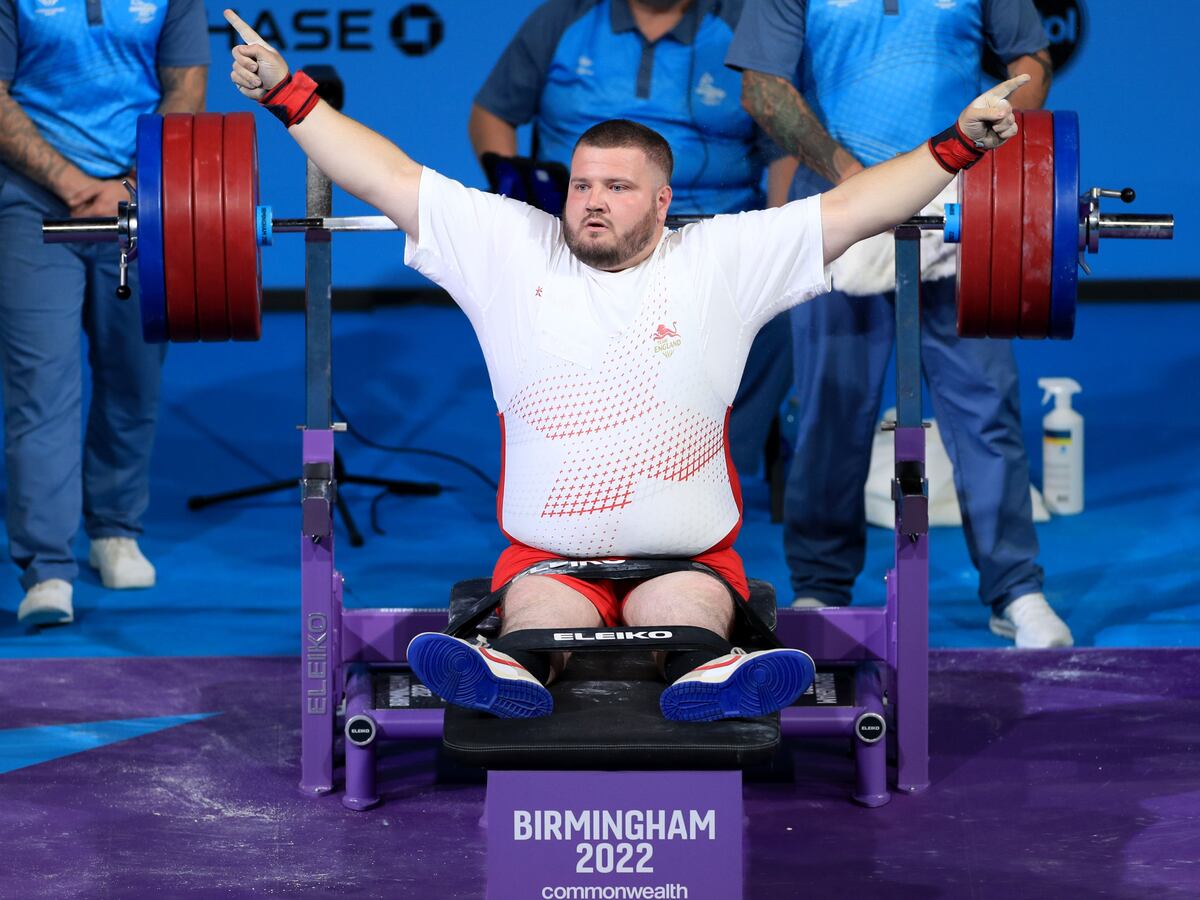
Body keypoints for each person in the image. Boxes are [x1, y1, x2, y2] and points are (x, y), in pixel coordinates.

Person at [224, 8, 1026, 719]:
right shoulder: (508, 249)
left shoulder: (722, 259)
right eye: (580, 184)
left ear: (664, 201)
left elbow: (856, 207)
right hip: (547, 555)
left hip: (686, 556)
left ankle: (713, 673)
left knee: (686, 621)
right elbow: (388, 176)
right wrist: (286, 96)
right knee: (537, 620)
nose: (592, 200)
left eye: (617, 186)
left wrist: (956, 147)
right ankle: (509, 665)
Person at [726, 0, 1074, 648]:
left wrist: (989, 143)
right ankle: (821, 588)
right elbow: (761, 85)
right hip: (840, 206)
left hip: (968, 209)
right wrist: (857, 180)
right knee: (830, 409)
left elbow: (1030, 57)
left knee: (985, 407)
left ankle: (1016, 589)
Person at [469, 0, 796, 480]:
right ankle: (571, 465)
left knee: (778, 317)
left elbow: (782, 145)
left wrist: (776, 231)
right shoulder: (565, 18)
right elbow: (491, 113)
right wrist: (517, 190)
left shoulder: (741, 24)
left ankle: (709, 470)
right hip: (579, 235)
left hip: (704, 232)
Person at [0, 0, 209, 625]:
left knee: (133, 375)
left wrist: (131, 184)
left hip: (138, 198)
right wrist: (69, 184)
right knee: (40, 385)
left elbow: (184, 85)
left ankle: (115, 529)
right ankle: (46, 568)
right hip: (32, 200)